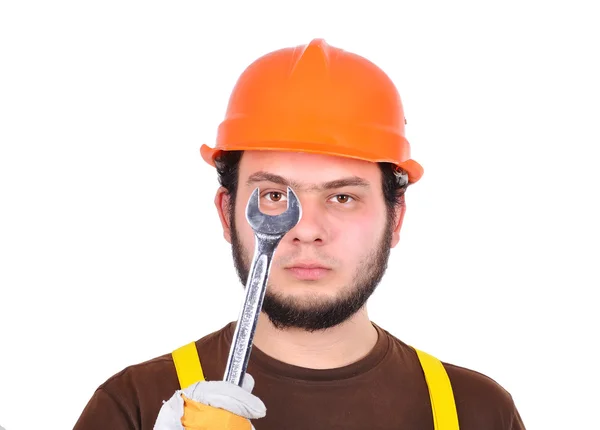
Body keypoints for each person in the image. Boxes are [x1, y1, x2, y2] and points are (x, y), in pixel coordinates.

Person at [74, 38, 526, 430]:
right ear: (226, 212)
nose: (305, 230)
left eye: (342, 197)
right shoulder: (134, 406)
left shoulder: (478, 413)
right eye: (273, 196)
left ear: (397, 218)